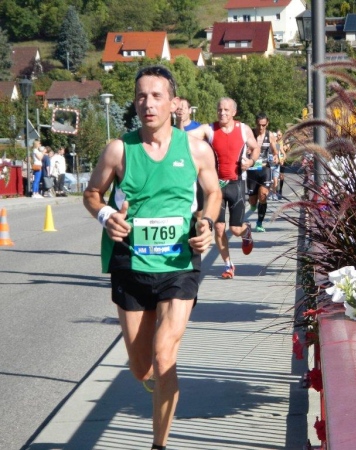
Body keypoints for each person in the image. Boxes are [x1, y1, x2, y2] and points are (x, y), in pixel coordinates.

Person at [83, 65, 222, 450]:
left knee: (164, 357)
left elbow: (213, 192)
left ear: (173, 103)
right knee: (140, 367)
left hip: (179, 264)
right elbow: (92, 193)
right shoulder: (118, 149)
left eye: (157, 96)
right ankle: (152, 379)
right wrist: (106, 215)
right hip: (131, 263)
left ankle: (158, 445)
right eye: (142, 96)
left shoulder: (195, 149)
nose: (148, 103)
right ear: (134, 101)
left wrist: (207, 221)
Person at [192, 98, 260, 279]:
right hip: (216, 187)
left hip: (236, 184)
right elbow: (187, 136)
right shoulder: (209, 129)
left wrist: (251, 161)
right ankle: (228, 265)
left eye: (226, 110)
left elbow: (255, 148)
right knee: (219, 227)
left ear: (234, 112)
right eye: (219, 109)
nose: (222, 113)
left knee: (235, 229)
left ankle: (246, 231)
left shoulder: (243, 129)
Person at [247, 112, 278, 232]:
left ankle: (259, 223)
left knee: (263, 195)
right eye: (259, 125)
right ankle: (253, 204)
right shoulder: (250, 134)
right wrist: (247, 152)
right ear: (256, 123)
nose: (261, 128)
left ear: (267, 124)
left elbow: (275, 150)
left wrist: (276, 156)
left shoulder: (270, 135)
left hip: (265, 169)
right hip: (252, 170)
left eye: (263, 125)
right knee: (253, 200)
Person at [271, 129, 288, 201]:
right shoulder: (273, 143)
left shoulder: (283, 142)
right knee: (273, 179)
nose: (278, 137)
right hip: (273, 163)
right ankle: (273, 192)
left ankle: (279, 191)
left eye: (279, 135)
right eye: (276, 135)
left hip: (281, 162)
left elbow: (285, 150)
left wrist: (286, 147)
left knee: (280, 177)